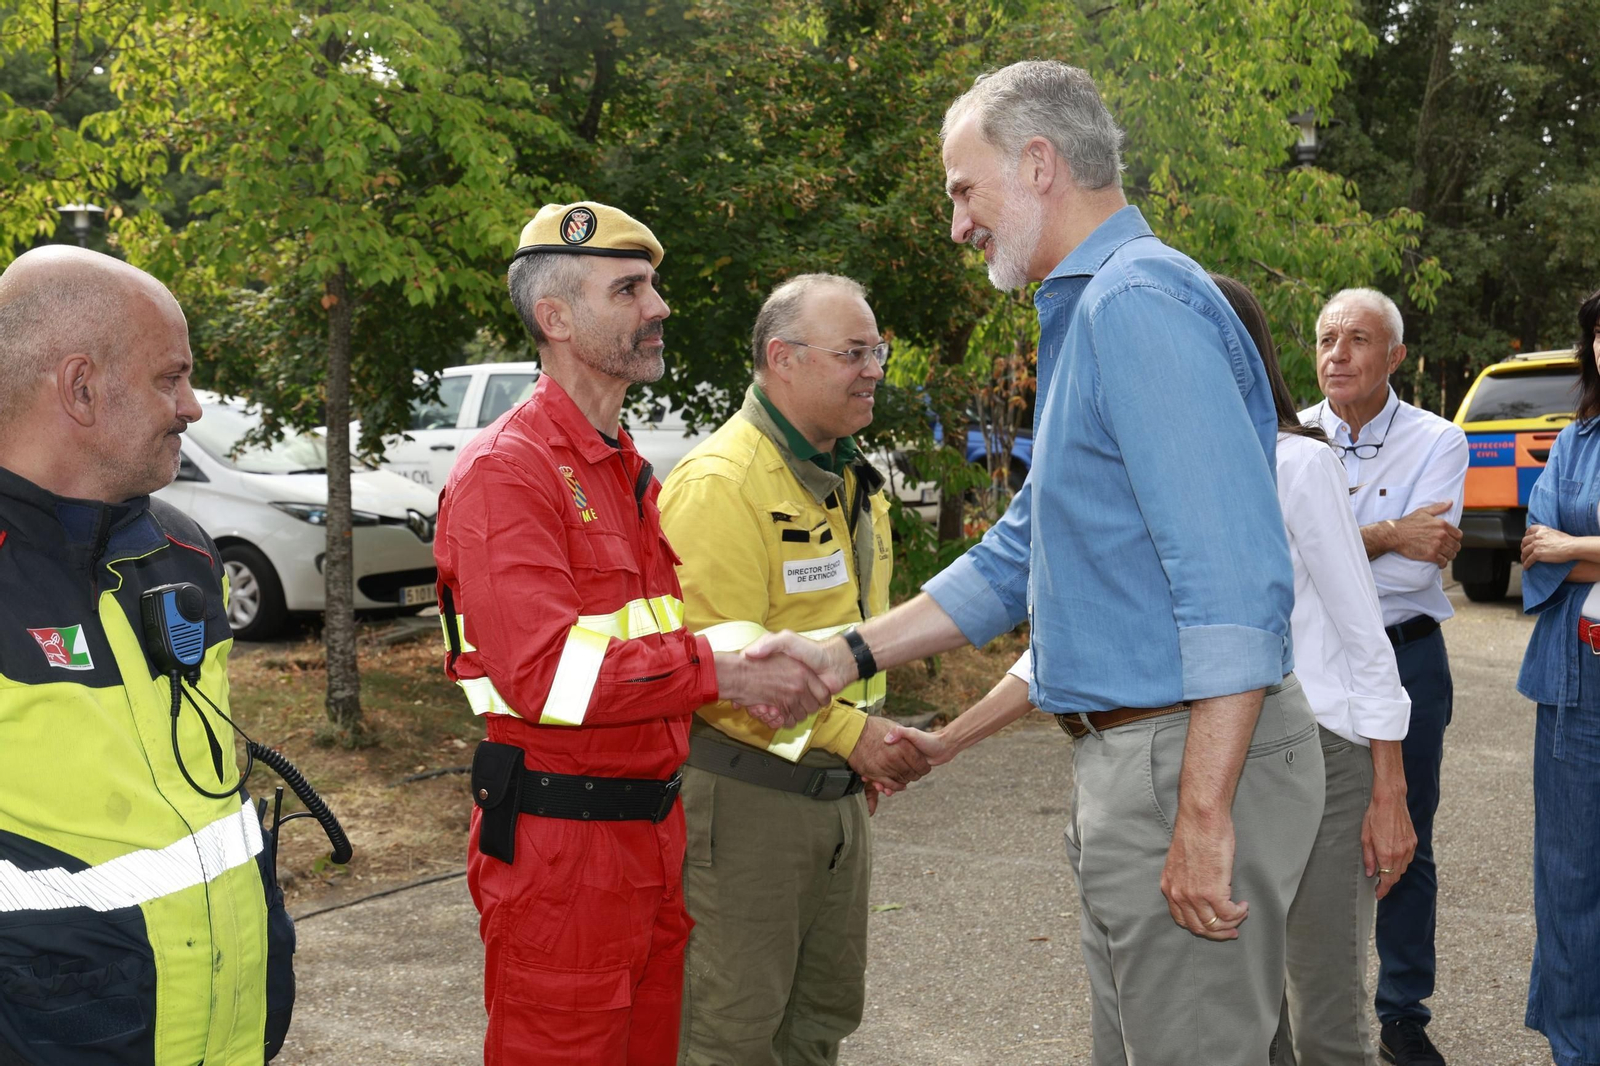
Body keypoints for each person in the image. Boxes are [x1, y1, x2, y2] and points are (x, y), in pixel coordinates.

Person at [752, 61, 1325, 1065]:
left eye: (961, 189)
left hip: (1179, 755)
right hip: (1142, 753)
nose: (957, 222)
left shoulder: (1133, 306)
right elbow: (1027, 548)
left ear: (1039, 162)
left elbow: (1234, 586)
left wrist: (1199, 813)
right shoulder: (1094, 308)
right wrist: (840, 655)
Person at [432, 202, 828, 1066]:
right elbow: (545, 678)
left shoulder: (619, 465)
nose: (660, 307)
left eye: (652, 285)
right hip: (563, 857)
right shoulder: (511, 471)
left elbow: (639, 642)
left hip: (645, 838)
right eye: (631, 289)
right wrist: (721, 671)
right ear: (557, 318)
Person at [0, 246, 282, 1063]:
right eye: (171, 378)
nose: (193, 407)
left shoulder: (185, 551)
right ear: (79, 388)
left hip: (225, 1034)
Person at [658, 274, 929, 1066]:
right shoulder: (720, 484)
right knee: (730, 1035)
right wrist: (854, 738)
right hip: (745, 803)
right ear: (783, 358)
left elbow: (853, 636)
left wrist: (857, 750)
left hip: (836, 797)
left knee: (819, 1022)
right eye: (853, 352)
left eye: (876, 350)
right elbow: (713, 660)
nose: (874, 368)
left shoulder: (849, 479)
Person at [1210, 274, 1416, 1066]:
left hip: (1327, 753)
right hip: (1224, 757)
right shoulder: (1175, 467)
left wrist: (1388, 791)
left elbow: (1367, 638)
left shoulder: (1298, 463)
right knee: (1252, 1014)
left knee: (1327, 1012)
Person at [1301, 288, 1468, 1066]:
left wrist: (1346, 542)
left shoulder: (1441, 440)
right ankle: (1301, 1010)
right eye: (1326, 339)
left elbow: (1411, 572)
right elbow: (1287, 559)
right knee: (1298, 830)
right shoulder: (1289, 435)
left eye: (1357, 339)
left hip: (1408, 655)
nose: (1337, 353)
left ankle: (1402, 1013)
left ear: (1395, 357)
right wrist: (1389, 532)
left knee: (1404, 837)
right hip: (1310, 661)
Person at [1516, 285, 1600, 1066]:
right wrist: (1573, 550)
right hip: (1578, 678)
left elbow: (1557, 545)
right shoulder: (1576, 440)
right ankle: (1578, 1045)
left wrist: (1577, 547)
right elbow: (1533, 541)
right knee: (1570, 873)